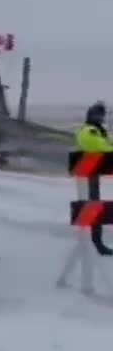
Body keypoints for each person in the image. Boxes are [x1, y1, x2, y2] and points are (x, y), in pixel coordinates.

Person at [75, 101, 113, 255]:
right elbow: (102, 146)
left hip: (93, 171)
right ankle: (97, 243)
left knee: (93, 207)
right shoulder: (88, 130)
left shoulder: (98, 130)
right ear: (90, 115)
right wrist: (106, 140)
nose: (100, 118)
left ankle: (96, 241)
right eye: (97, 115)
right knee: (93, 207)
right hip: (88, 171)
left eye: (101, 115)